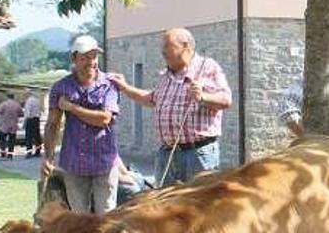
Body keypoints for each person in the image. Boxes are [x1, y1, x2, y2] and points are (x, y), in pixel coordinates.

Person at [109, 28, 230, 187]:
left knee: (197, 206)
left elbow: (226, 100)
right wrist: (125, 88)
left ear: (185, 46)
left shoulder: (207, 67)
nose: (163, 51)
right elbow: (151, 99)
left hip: (197, 154)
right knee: (167, 207)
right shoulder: (166, 75)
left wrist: (203, 97)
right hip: (167, 154)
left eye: (167, 46)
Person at [44, 35, 121, 213]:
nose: (91, 62)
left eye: (94, 56)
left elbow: (104, 119)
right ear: (73, 59)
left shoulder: (109, 84)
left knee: (107, 217)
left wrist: (72, 108)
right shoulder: (60, 87)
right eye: (85, 57)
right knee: (79, 220)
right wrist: (47, 157)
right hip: (74, 163)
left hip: (104, 161)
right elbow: (52, 124)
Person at [0, 92, 22, 159]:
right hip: (13, 126)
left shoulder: (4, 104)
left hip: (4, 125)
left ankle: (3, 154)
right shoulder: (17, 105)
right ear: (13, 97)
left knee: (2, 140)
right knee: (12, 141)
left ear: (7, 97)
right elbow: (21, 113)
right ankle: (10, 154)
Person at [22, 89, 43, 158]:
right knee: (37, 136)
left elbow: (27, 113)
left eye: (24, 94)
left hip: (30, 119)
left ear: (27, 94)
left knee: (29, 137)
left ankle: (29, 152)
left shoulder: (28, 101)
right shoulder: (37, 100)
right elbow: (40, 110)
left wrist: (24, 123)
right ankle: (38, 151)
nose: (24, 96)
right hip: (36, 119)